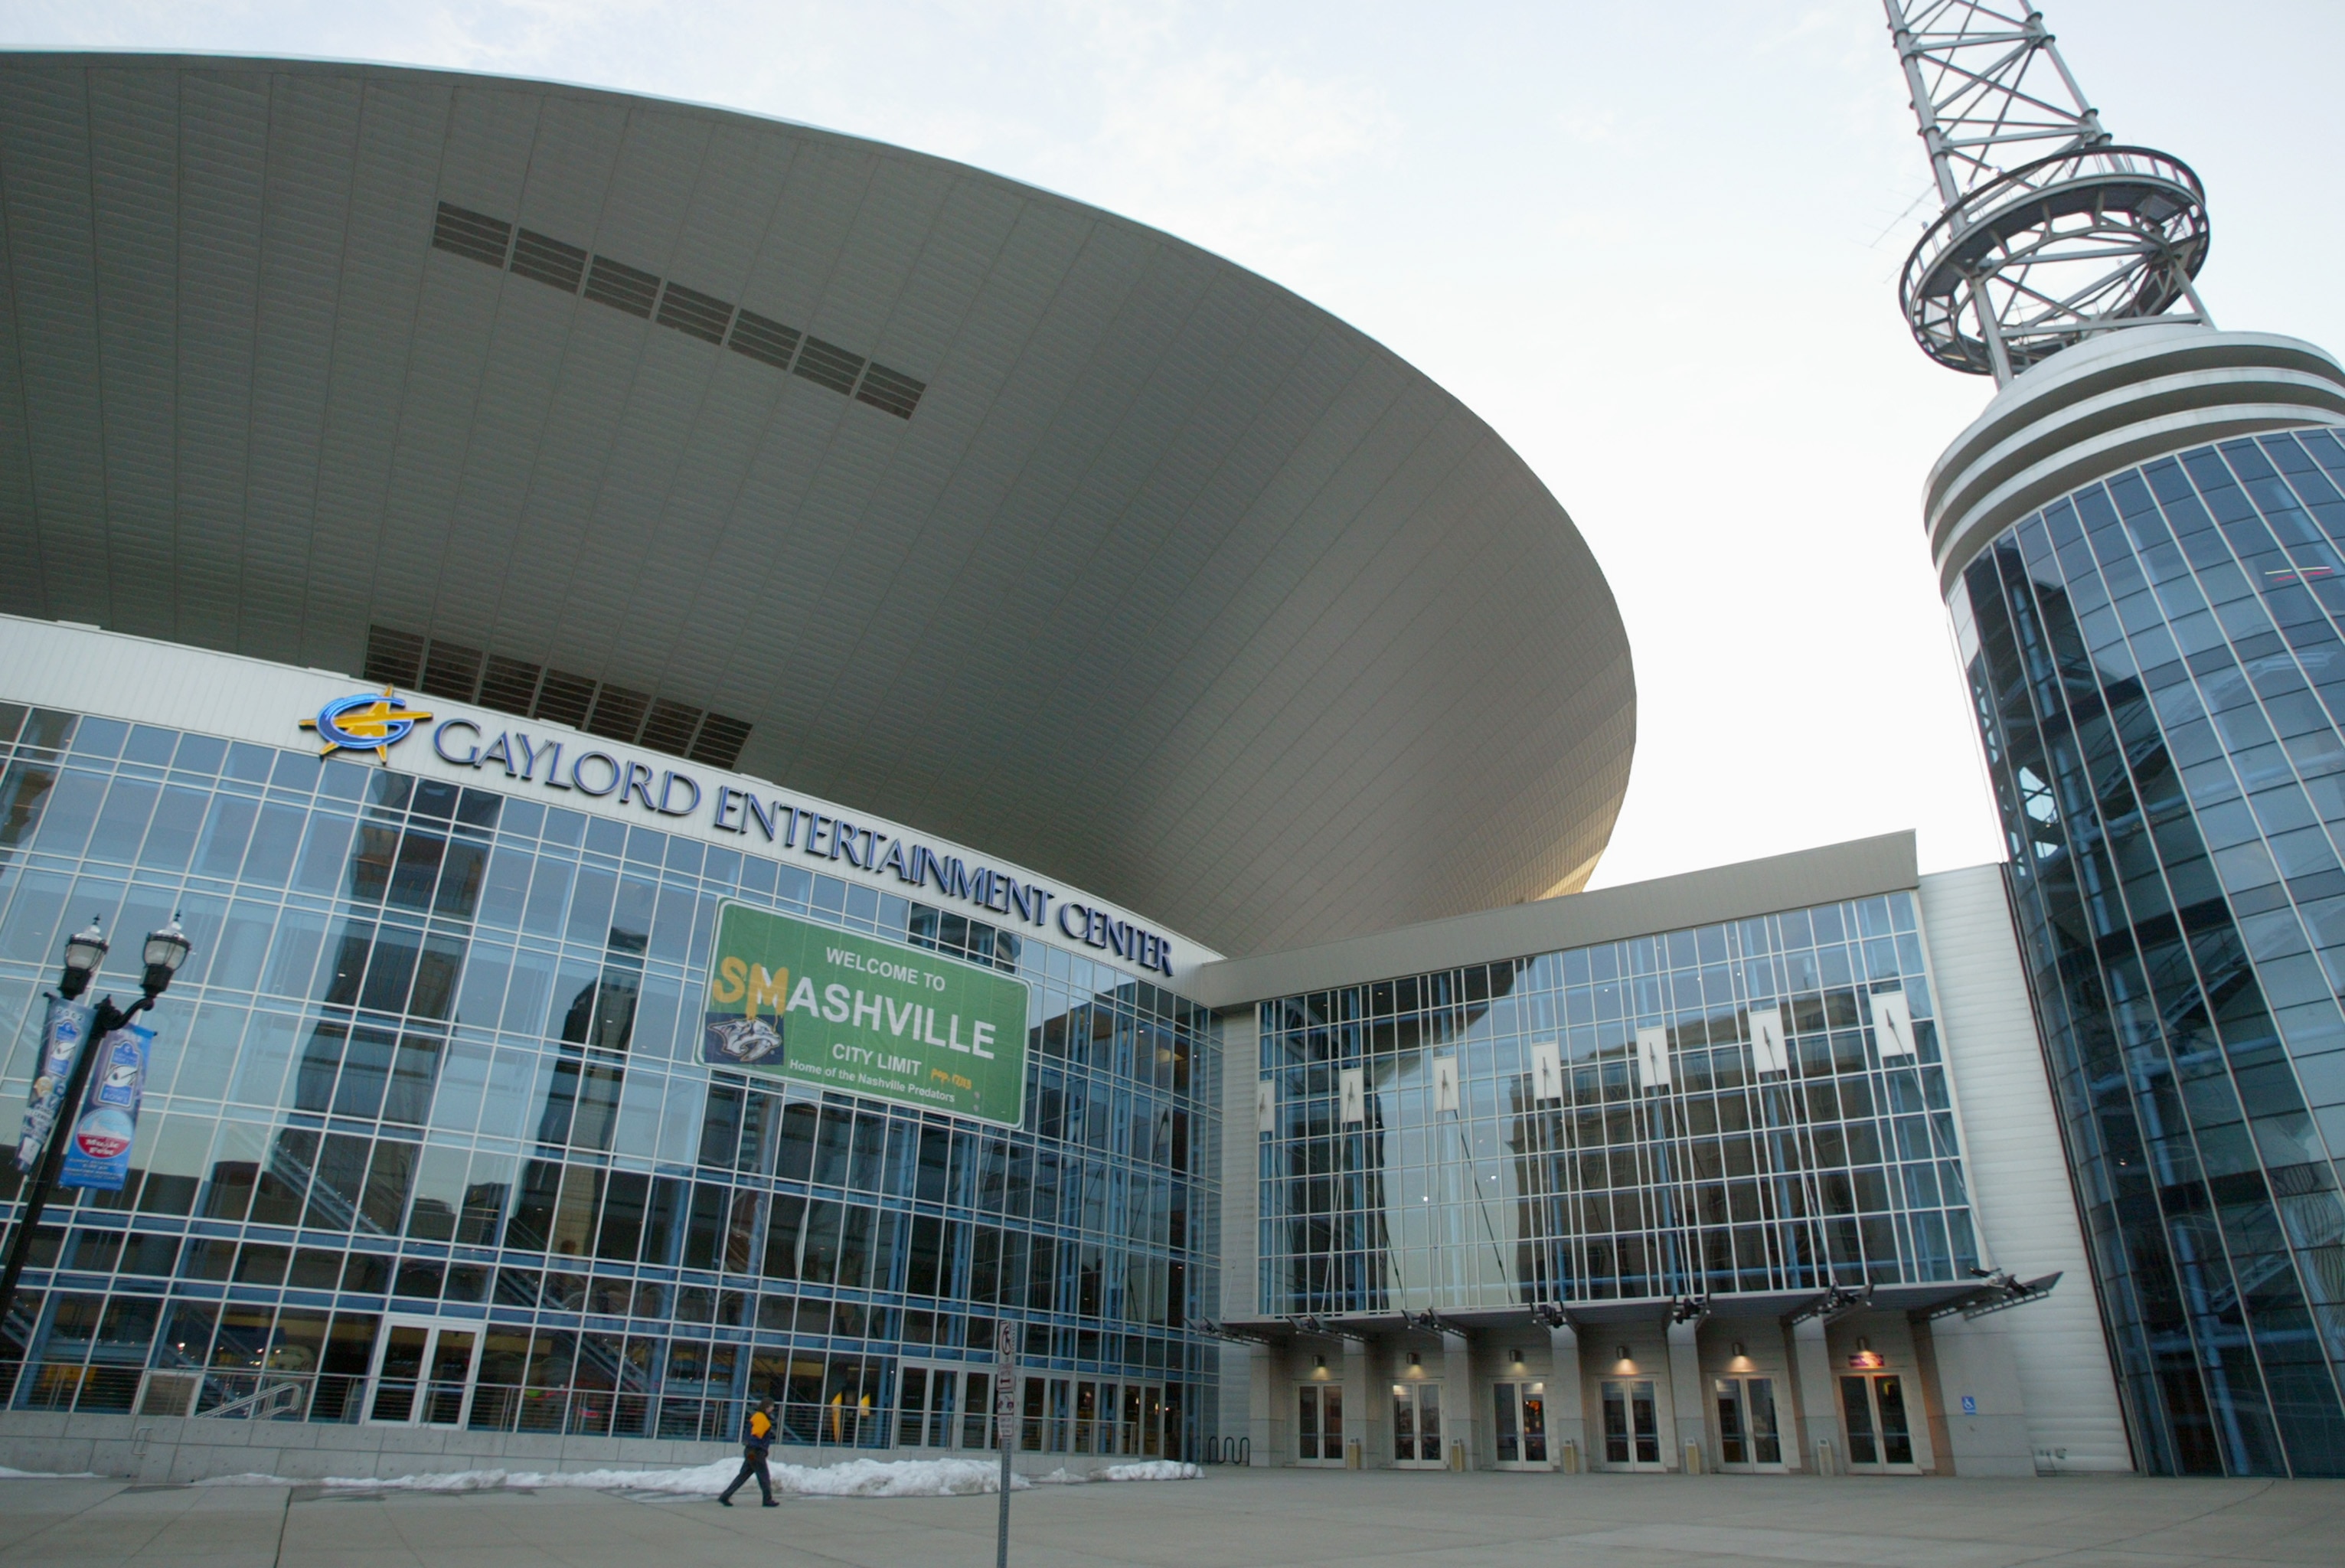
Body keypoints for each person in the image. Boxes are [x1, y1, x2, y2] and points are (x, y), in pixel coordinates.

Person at [718, 1397, 779, 1507]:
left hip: (750, 1452)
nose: (773, 1409)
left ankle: (725, 1496)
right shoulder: (761, 1418)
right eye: (771, 1406)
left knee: (744, 1475)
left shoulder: (756, 1416)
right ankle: (767, 1500)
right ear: (767, 1407)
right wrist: (761, 1449)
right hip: (756, 1452)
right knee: (764, 1476)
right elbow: (757, 1434)